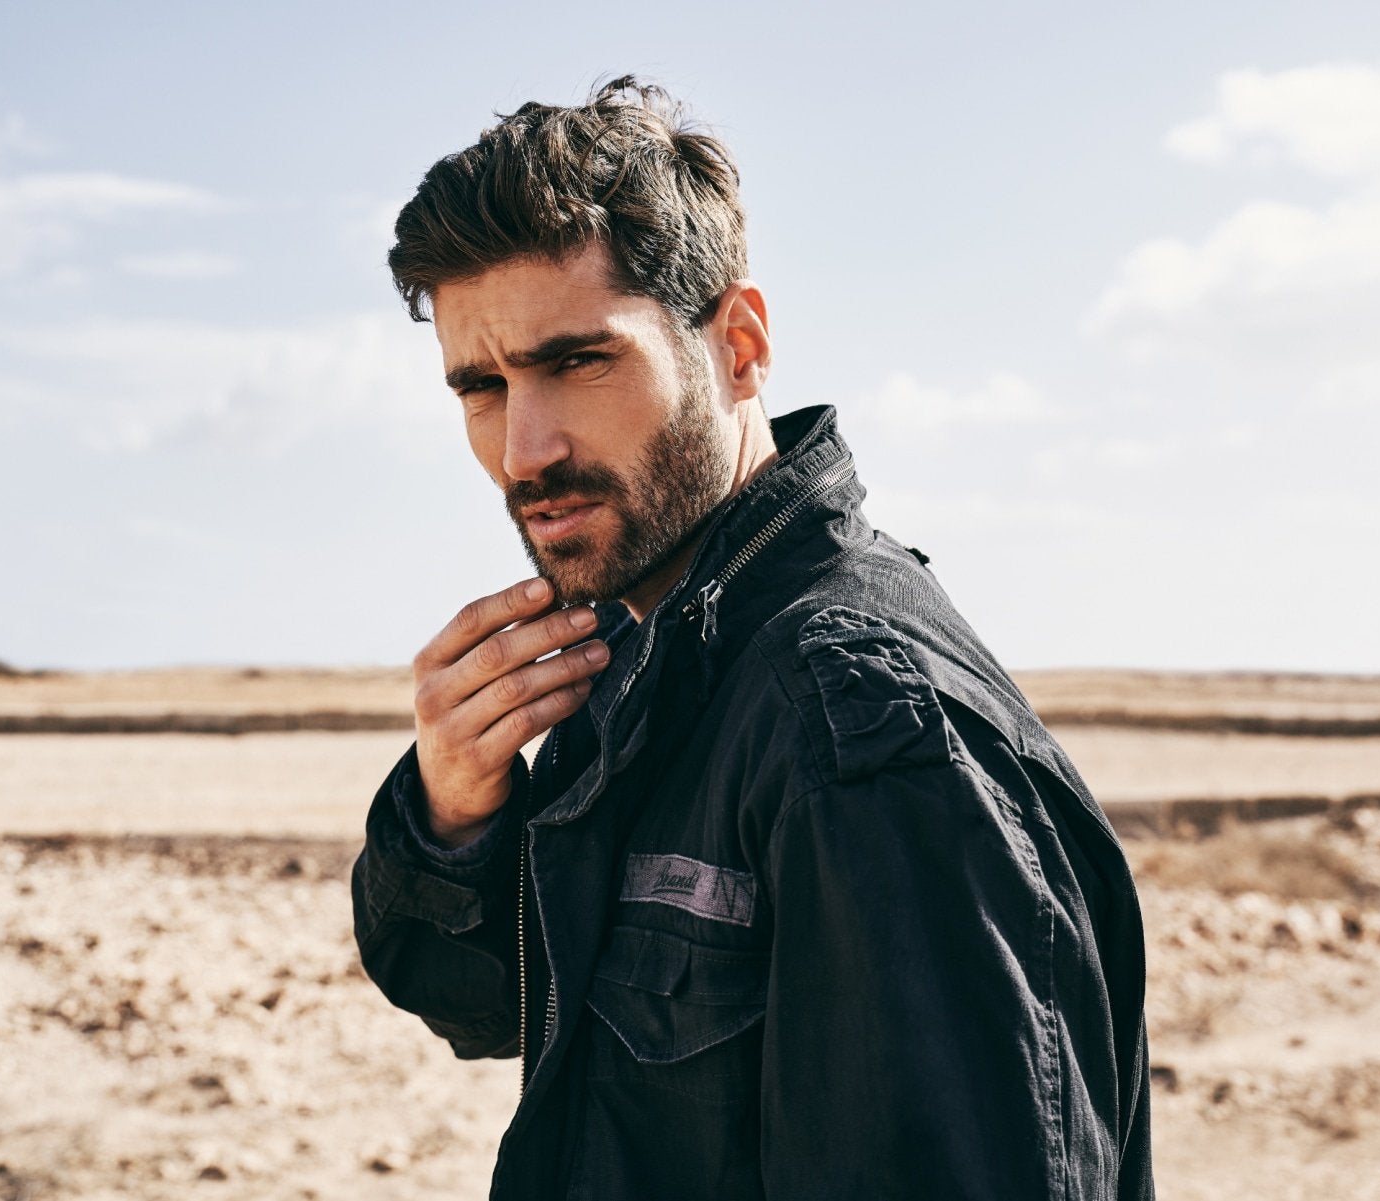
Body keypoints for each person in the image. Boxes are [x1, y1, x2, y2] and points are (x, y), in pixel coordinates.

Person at [351, 76, 1153, 1200]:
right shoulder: (643, 652)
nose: (524, 449)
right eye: (480, 387)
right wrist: (453, 815)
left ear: (737, 346)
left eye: (577, 361)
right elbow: (497, 1007)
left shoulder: (857, 725)